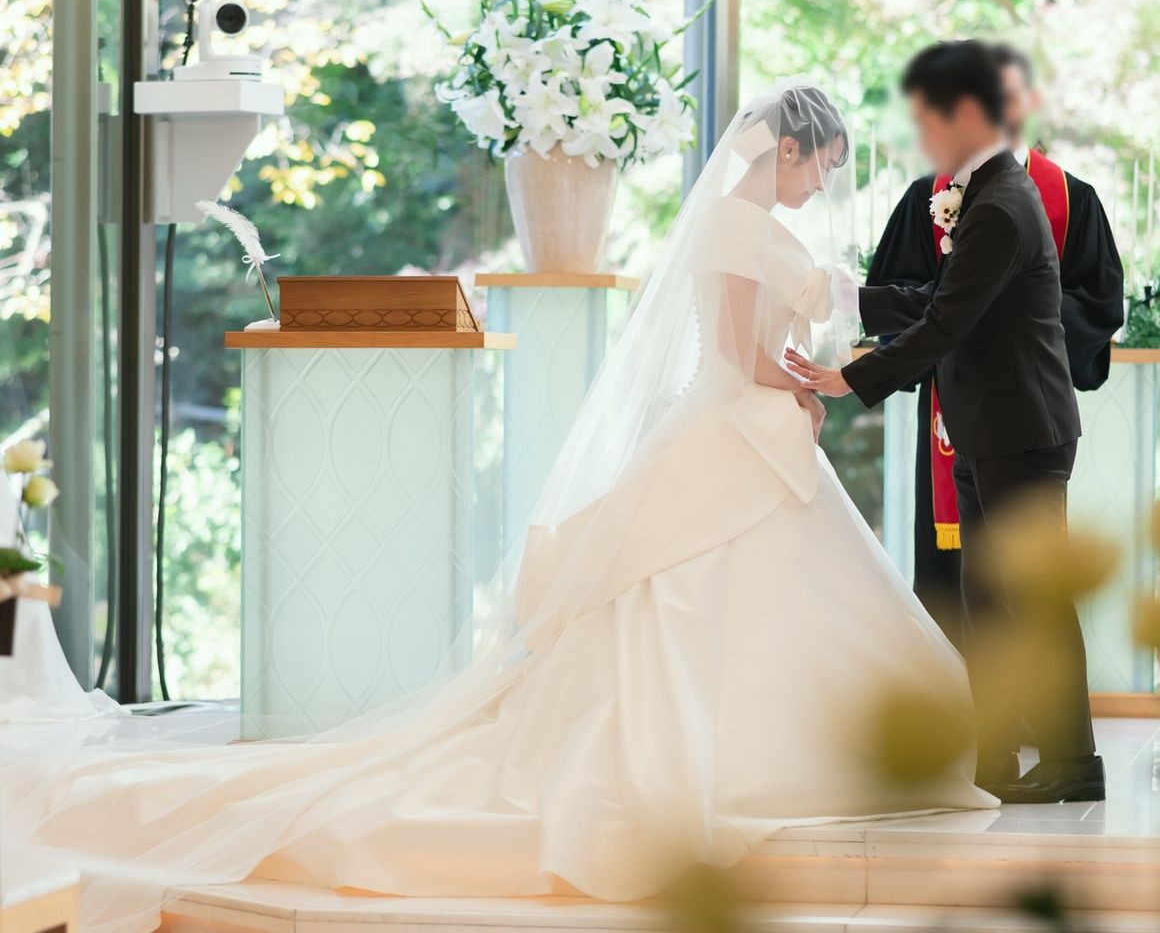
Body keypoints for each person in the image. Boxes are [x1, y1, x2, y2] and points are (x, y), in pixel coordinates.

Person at [0, 83, 994, 933]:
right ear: (786, 150)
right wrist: (811, 385)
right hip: (730, 425)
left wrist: (803, 380)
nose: (819, 184)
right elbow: (736, 353)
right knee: (687, 591)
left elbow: (756, 346)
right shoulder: (739, 227)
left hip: (745, 427)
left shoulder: (750, 224)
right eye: (819, 166)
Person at [787, 42, 1106, 806]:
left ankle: (1073, 761)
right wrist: (851, 296)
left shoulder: (1000, 204)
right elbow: (942, 298)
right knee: (986, 599)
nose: (922, 136)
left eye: (930, 120)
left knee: (1033, 601)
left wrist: (850, 378)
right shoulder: (986, 191)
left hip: (1022, 430)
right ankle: (994, 753)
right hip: (989, 426)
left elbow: (946, 321)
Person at [865, 44, 1123, 648]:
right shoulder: (927, 197)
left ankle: (1032, 702)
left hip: (1019, 408)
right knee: (966, 587)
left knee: (1028, 587)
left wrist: (1013, 325)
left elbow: (1096, 302)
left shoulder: (1068, 198)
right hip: (956, 408)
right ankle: (962, 693)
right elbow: (916, 293)